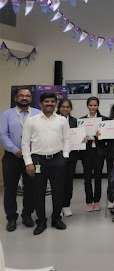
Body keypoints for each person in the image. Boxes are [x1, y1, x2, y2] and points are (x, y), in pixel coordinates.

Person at [21, 92, 70, 235]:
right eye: (46, 101)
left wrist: (65, 156)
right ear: (40, 104)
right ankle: (41, 221)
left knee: (58, 192)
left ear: (56, 104)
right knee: (38, 192)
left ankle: (56, 219)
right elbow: (25, 143)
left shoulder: (62, 120)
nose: (49, 103)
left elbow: (66, 139)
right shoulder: (31, 120)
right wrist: (28, 162)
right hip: (38, 161)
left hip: (58, 160)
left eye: (52, 101)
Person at [0, 87, 41, 232]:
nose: (25, 98)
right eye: (21, 96)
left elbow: (42, 134)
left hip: (32, 157)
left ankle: (27, 215)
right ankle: (11, 217)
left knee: (31, 188)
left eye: (28, 96)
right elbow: (2, 135)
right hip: (12, 157)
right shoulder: (6, 114)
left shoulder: (38, 114)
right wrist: (16, 150)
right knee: (10, 189)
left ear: (31, 98)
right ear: (16, 98)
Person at [57, 100, 83, 217]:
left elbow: (79, 136)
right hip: (56, 155)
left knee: (68, 182)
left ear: (71, 108)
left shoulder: (75, 121)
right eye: (63, 107)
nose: (65, 109)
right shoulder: (53, 120)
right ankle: (57, 206)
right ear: (59, 107)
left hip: (71, 156)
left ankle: (66, 205)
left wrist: (83, 139)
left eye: (68, 107)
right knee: (57, 182)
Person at [81, 97, 108, 212]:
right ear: (87, 106)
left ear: (98, 106)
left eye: (95, 105)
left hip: (99, 151)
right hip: (86, 151)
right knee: (87, 177)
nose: (93, 107)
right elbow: (77, 137)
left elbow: (108, 136)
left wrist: (101, 135)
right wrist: (83, 138)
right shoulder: (81, 120)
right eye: (91, 105)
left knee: (98, 176)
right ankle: (88, 201)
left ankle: (96, 201)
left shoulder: (103, 120)